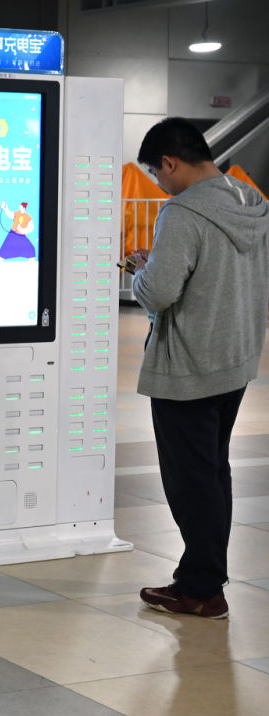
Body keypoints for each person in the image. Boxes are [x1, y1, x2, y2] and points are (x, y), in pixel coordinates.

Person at [127, 117, 269, 618]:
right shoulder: (250, 201)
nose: (158, 184)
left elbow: (160, 292)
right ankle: (204, 577)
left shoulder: (182, 211)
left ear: (170, 162)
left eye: (156, 173)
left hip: (189, 366)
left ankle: (201, 589)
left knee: (190, 481)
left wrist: (141, 272)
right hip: (234, 359)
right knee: (212, 472)